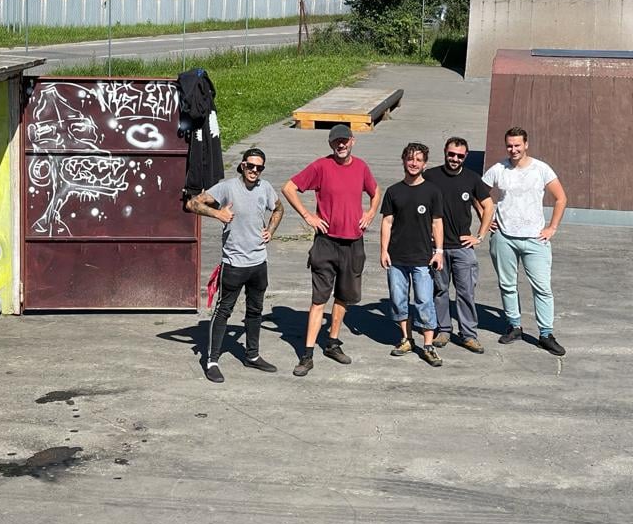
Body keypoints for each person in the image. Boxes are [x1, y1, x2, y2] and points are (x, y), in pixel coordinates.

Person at [282, 124, 380, 377]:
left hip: (353, 243)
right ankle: (307, 354)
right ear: (330, 144)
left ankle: (332, 343)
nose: (341, 145)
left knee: (344, 296)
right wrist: (308, 216)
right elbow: (288, 188)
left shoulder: (361, 167)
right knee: (318, 300)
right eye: (336, 141)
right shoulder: (321, 166)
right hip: (326, 243)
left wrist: (370, 212)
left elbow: (375, 191)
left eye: (345, 140)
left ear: (352, 141)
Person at [188, 147, 284, 383]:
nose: (254, 171)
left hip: (258, 263)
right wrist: (217, 214)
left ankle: (252, 355)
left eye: (259, 168)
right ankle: (211, 361)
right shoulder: (227, 187)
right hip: (234, 263)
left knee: (255, 311)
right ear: (242, 165)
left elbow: (279, 208)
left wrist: (270, 230)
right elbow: (192, 204)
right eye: (250, 166)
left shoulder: (265, 187)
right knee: (223, 311)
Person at [482, 127, 568, 356]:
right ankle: (514, 326)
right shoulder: (498, 169)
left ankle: (546, 334)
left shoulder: (541, 169)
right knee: (507, 284)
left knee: (542, 288)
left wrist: (552, 228)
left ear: (526, 144)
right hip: (504, 237)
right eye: (509, 146)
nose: (513, 150)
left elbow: (561, 198)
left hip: (535, 238)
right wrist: (486, 219)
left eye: (517, 145)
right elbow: (478, 193)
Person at [425, 137, 495, 353]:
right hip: (438, 248)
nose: (455, 159)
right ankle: (444, 330)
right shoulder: (430, 176)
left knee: (466, 293)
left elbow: (488, 206)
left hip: (463, 248)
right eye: (451, 154)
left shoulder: (472, 178)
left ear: (465, 156)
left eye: (459, 156)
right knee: (440, 291)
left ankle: (469, 335)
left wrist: (479, 236)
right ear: (445, 152)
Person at [379, 143, 446, 367]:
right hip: (397, 257)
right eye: (410, 159)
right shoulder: (393, 191)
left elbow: (437, 223)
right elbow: (387, 222)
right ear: (403, 161)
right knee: (398, 300)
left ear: (425, 164)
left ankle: (428, 346)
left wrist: (439, 252)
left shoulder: (433, 191)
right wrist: (383, 250)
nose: (414, 163)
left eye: (418, 160)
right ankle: (406, 339)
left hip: (422, 258)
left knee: (424, 301)